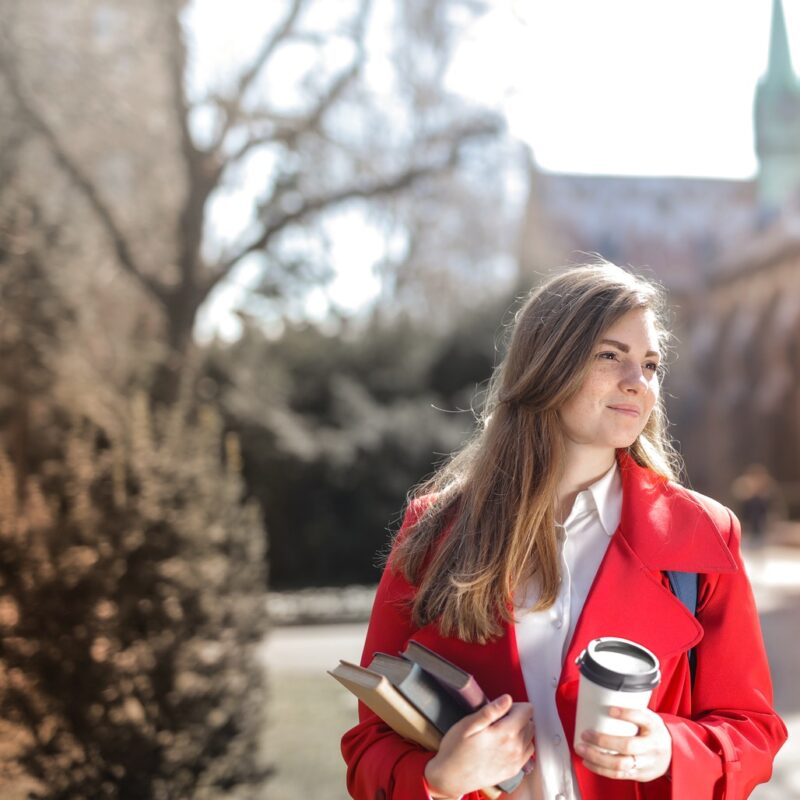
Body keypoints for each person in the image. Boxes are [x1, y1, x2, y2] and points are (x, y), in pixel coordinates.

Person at [341, 263, 787, 800]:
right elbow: (369, 743)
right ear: (547, 365)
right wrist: (439, 780)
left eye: (650, 364)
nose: (638, 382)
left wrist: (670, 749)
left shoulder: (704, 535)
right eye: (609, 355)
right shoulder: (433, 532)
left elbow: (752, 729)